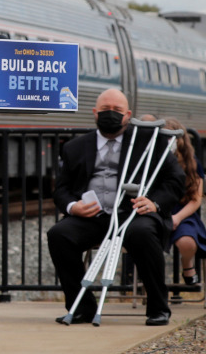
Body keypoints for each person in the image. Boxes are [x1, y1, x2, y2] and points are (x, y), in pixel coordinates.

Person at [46, 88, 184, 326]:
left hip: (133, 214)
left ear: (128, 114)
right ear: (94, 112)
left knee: (141, 234)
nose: (110, 114)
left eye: (117, 110)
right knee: (58, 235)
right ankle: (81, 307)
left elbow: (176, 179)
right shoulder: (75, 147)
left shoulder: (149, 141)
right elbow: (61, 188)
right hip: (93, 216)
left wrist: (154, 202)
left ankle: (158, 308)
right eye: (104, 110)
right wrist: (72, 207)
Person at [163, 118, 206, 285]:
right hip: (157, 210)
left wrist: (178, 218)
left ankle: (187, 264)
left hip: (182, 212)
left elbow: (196, 199)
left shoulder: (191, 163)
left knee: (187, 242)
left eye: (170, 137)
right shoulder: (149, 159)